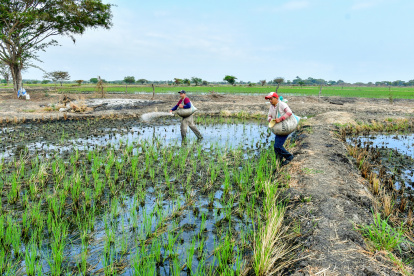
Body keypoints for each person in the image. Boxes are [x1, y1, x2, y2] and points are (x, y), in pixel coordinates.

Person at [265, 92, 294, 166]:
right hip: (279, 129)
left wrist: (281, 119)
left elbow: (289, 112)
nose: (270, 101)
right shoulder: (271, 107)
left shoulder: (282, 104)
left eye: (271, 99)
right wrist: (270, 119)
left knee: (277, 146)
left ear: (276, 98)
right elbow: (269, 116)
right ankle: (279, 162)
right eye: (269, 99)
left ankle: (289, 157)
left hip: (285, 127)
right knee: (276, 147)